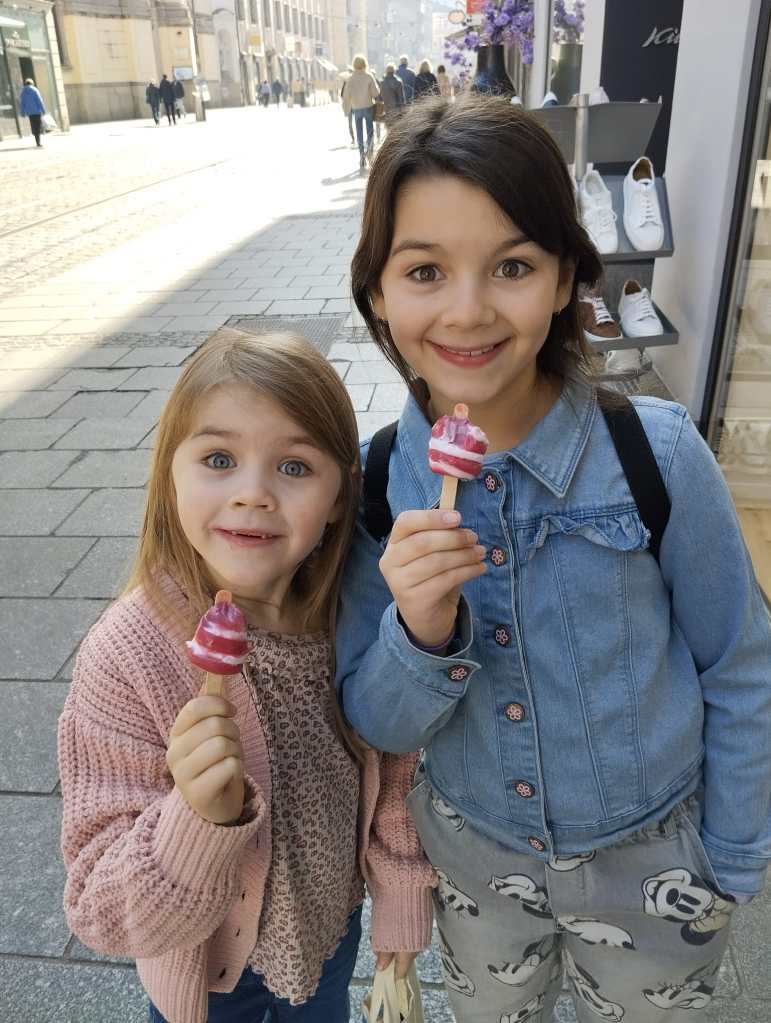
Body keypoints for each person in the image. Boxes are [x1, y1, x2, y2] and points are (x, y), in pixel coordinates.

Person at [338, 93, 771, 1022]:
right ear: (376, 290)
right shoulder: (378, 482)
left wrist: (729, 858)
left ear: (567, 275)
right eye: (423, 270)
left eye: (512, 266)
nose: (467, 310)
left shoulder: (655, 454)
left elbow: (741, 662)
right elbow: (375, 720)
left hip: (654, 859)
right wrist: (419, 631)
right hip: (476, 867)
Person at [58, 327, 435, 1023]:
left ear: (340, 496)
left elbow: (394, 774)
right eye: (219, 459)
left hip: (329, 938)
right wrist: (196, 817)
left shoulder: (352, 618)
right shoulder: (128, 655)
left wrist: (401, 905)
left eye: (294, 466)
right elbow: (98, 909)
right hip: (204, 970)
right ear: (169, 474)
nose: (253, 493)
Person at [342, 54, 380, 171]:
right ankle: (370, 153)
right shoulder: (368, 76)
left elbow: (345, 96)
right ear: (364, 64)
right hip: (368, 106)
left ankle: (361, 155)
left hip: (356, 108)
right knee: (370, 131)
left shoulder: (350, 78)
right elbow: (375, 93)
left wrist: (346, 109)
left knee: (359, 132)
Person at [18, 78, 45, 147]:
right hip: (37, 112)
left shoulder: (23, 92)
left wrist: (22, 112)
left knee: (33, 125)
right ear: (32, 83)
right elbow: (39, 100)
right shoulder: (35, 90)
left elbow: (22, 103)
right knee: (38, 126)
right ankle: (38, 141)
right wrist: (43, 110)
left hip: (30, 113)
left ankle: (36, 137)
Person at [340, 67, 356, 147]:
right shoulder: (353, 82)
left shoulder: (347, 83)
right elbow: (342, 95)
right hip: (354, 105)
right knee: (355, 123)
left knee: (351, 123)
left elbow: (342, 95)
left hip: (351, 106)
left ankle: (354, 138)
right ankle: (354, 138)